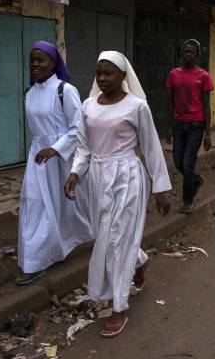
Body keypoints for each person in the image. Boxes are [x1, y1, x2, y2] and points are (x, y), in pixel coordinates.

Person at [64, 51, 171, 338]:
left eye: (108, 73)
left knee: (116, 239)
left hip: (127, 177)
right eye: (99, 73)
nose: (102, 78)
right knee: (107, 236)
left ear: (124, 76)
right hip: (97, 180)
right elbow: (84, 147)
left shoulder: (137, 107)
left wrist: (161, 189)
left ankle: (119, 307)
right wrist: (75, 173)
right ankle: (139, 260)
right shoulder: (88, 106)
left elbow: (151, 148)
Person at [16, 41, 93, 286]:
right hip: (38, 159)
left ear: (53, 62)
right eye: (33, 60)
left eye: (42, 60)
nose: (36, 64)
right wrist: (42, 149)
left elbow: (78, 127)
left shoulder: (65, 90)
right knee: (35, 205)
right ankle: (34, 262)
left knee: (67, 206)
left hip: (62, 159)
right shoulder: (29, 93)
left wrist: (56, 149)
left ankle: (73, 242)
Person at [166, 39, 213, 215]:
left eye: (191, 52)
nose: (188, 55)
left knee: (187, 163)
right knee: (177, 161)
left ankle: (188, 201)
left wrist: (208, 133)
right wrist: (169, 127)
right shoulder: (173, 75)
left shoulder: (203, 76)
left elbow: (207, 105)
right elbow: (170, 102)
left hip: (196, 125)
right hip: (178, 125)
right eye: (185, 52)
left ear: (197, 55)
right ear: (182, 53)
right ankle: (196, 180)